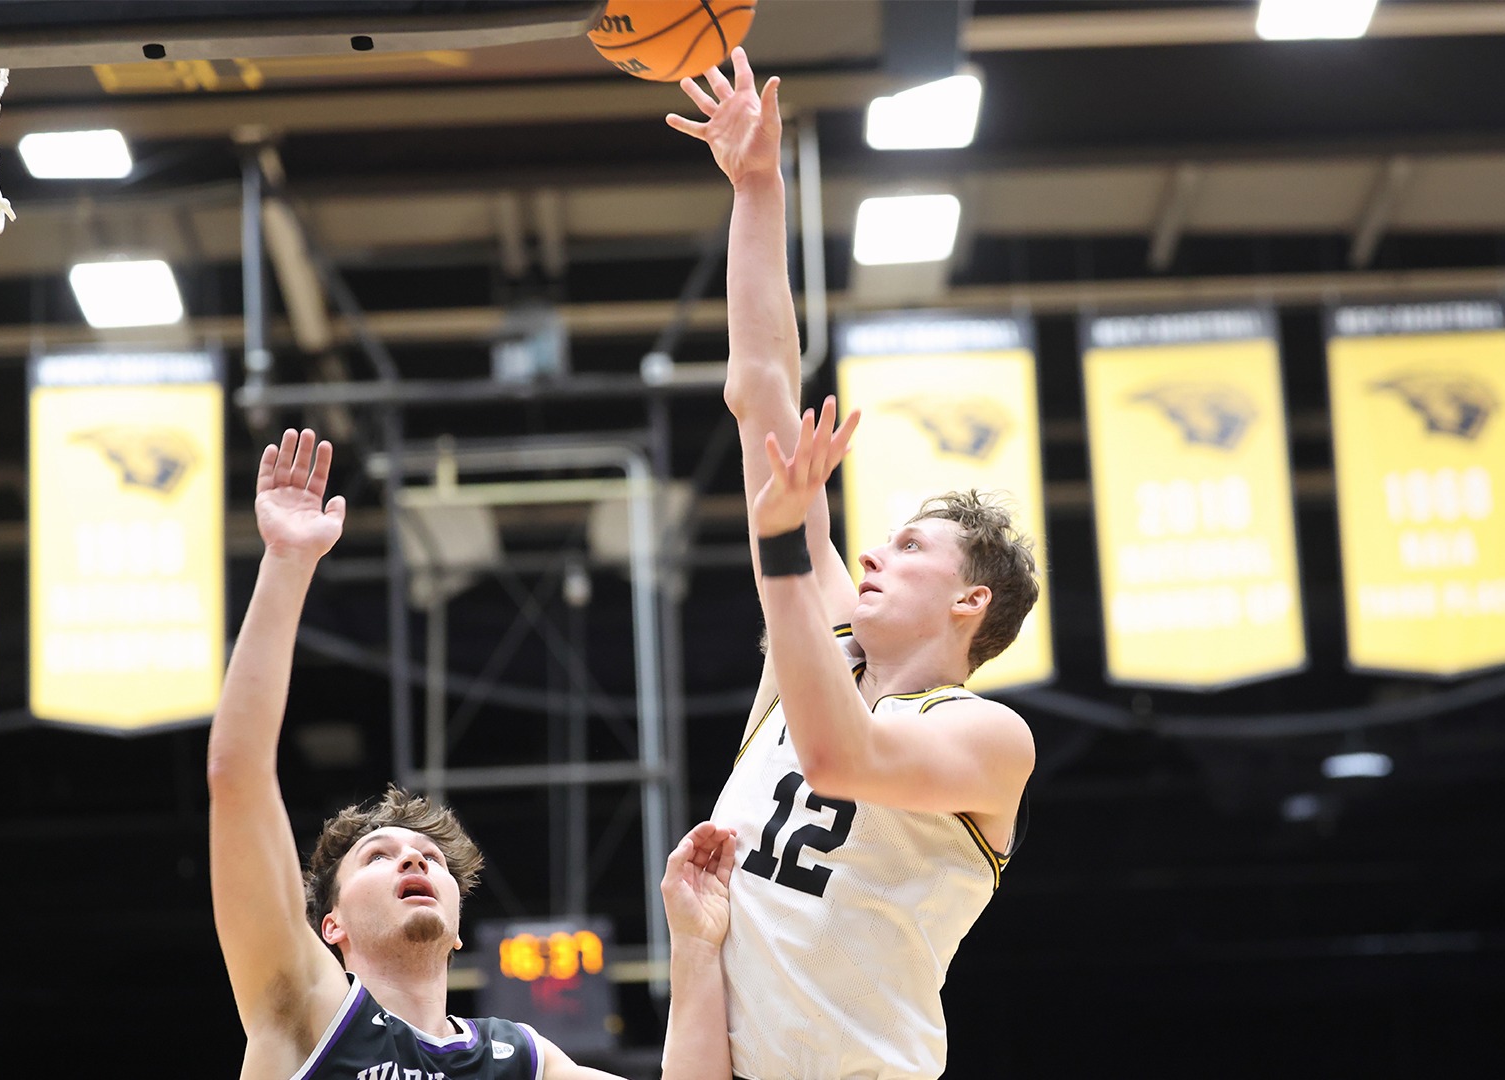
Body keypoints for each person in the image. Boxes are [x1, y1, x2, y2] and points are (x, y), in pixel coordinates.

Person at [667, 50, 1041, 1080]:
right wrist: (756, 191)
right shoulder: (819, 632)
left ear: (972, 601)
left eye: (909, 545)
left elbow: (840, 759)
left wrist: (786, 550)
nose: (871, 551)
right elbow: (762, 392)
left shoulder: (985, 736)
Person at [208, 427, 738, 1080]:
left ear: (460, 929)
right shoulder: (305, 1008)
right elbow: (237, 778)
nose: (412, 857)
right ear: (332, 924)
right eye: (379, 856)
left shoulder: (521, 1058)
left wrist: (692, 942)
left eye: (430, 858)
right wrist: (287, 564)